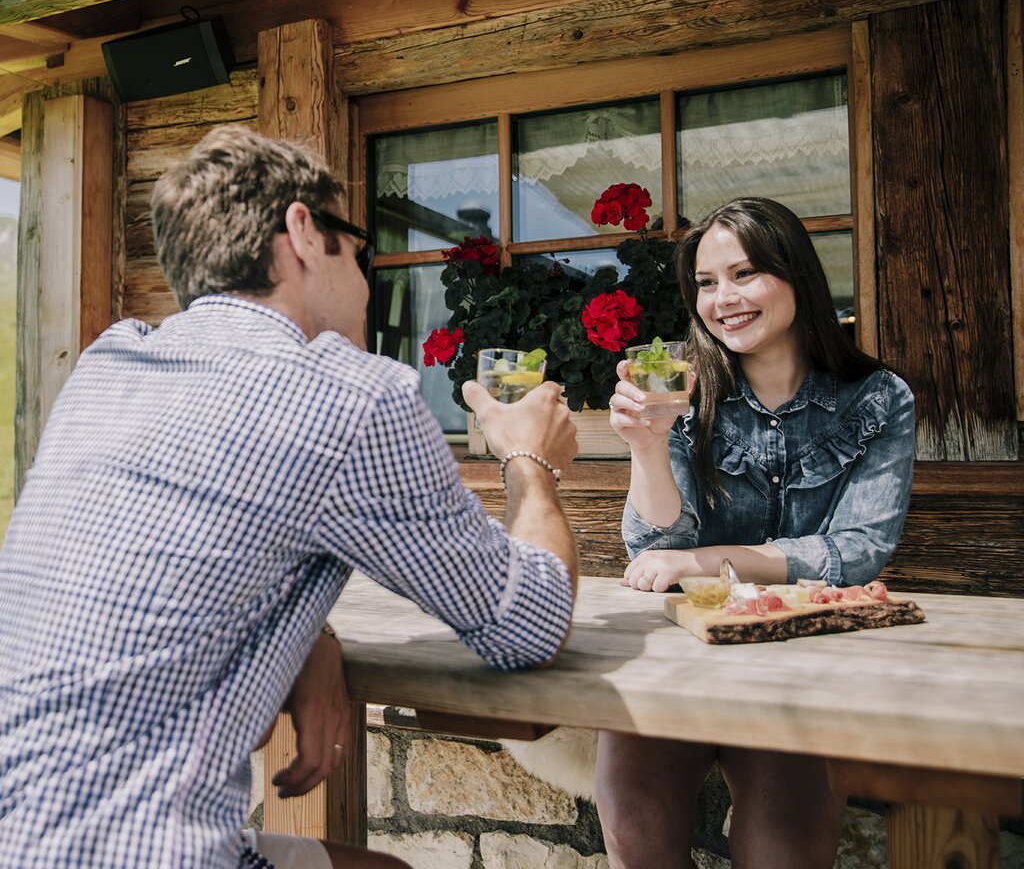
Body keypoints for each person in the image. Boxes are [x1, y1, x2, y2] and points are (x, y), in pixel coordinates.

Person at [0, 125, 579, 869]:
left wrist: (313, 639)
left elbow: (182, 561)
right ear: (303, 231)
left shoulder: (109, 365)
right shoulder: (345, 396)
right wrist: (529, 457)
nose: (370, 279)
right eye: (359, 246)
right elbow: (527, 625)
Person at [594, 197, 916, 869]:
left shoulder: (878, 398)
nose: (724, 299)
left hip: (796, 663)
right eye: (707, 283)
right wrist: (648, 447)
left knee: (786, 853)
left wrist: (711, 559)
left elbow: (859, 550)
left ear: (796, 274)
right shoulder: (678, 383)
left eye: (744, 274)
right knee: (633, 829)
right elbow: (654, 555)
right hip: (677, 658)